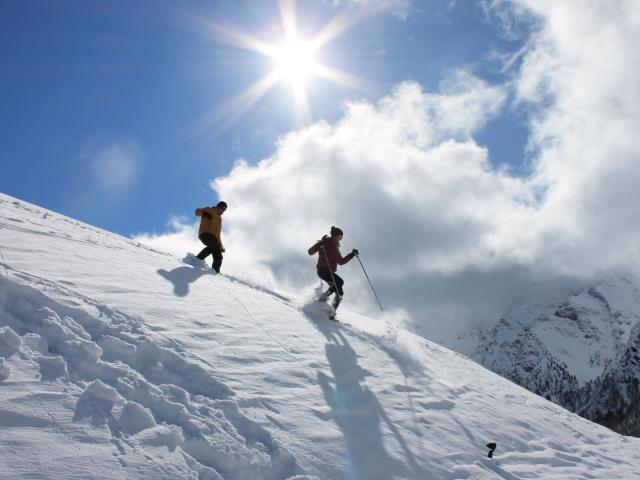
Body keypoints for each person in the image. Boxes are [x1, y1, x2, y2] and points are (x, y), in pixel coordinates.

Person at [308, 226, 358, 313]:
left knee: (340, 286)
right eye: (339, 237)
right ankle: (330, 310)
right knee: (339, 287)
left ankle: (325, 302)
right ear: (334, 236)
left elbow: (341, 262)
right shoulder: (325, 242)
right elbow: (310, 252)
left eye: (341, 237)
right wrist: (319, 246)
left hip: (329, 272)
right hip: (323, 270)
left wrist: (352, 254)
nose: (340, 239)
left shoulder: (336, 249)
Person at [194, 201, 227, 273]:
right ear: (219, 207)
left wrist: (220, 245)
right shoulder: (209, 210)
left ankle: (215, 272)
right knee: (213, 245)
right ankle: (198, 259)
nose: (223, 212)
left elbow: (218, 234)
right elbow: (196, 212)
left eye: (225, 210)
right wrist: (204, 213)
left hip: (214, 238)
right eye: (223, 209)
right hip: (205, 234)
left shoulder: (219, 219)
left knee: (219, 256)